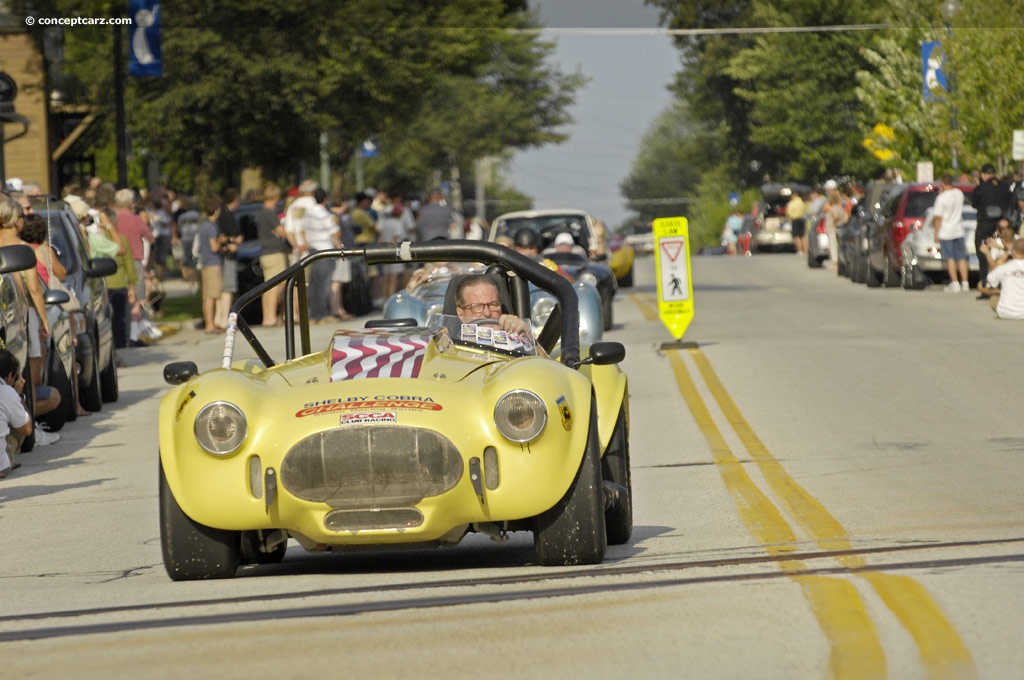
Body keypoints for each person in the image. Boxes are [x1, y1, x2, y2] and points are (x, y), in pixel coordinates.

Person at [301, 188, 342, 323]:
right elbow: (335, 233)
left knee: (314, 284)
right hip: (324, 250)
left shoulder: (308, 213)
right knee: (324, 283)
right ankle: (323, 314)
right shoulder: (322, 213)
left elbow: (303, 230)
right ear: (325, 199)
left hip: (312, 251)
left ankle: (313, 314)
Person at [971, 163, 1012, 298]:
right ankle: (1002, 285)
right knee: (1006, 252)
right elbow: (1011, 202)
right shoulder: (1005, 186)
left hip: (985, 225)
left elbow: (974, 203)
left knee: (983, 253)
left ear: (983, 175)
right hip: (1002, 226)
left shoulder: (981, 187)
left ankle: (985, 284)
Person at [254, 183, 289, 326]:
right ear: (274, 197)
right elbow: (282, 232)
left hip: (264, 253)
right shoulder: (269, 213)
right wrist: (283, 231)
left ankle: (267, 317)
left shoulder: (260, 213)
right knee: (276, 286)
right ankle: (272, 317)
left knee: (267, 287)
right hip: (275, 253)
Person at [931, 173, 969, 293]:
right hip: (958, 229)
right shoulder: (959, 193)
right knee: (961, 258)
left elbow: (938, 218)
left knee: (950, 258)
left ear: (942, 182)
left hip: (946, 231)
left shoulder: (941, 199)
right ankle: (965, 282)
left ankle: (955, 283)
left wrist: (936, 233)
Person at [453, 274, 527, 334]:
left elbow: (536, 352)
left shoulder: (515, 339)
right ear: (461, 314)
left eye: (493, 305)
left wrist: (525, 333)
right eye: (477, 306)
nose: (487, 313)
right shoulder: (450, 345)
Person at [0, 350, 34, 478]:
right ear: (9, 376)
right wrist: (19, 395)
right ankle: (7, 457)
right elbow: (27, 429)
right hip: (1, 465)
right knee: (20, 422)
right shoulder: (7, 391)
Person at [196, 195, 224, 334]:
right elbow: (214, 247)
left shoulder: (202, 225)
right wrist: (221, 241)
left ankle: (210, 323)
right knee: (212, 296)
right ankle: (210, 325)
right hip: (213, 263)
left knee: (207, 295)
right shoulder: (212, 227)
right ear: (216, 210)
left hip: (205, 263)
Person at [215, 188, 243, 329]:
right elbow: (224, 237)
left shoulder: (221, 213)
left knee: (222, 290)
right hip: (227, 256)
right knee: (227, 289)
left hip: (221, 257)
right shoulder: (226, 215)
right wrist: (233, 241)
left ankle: (218, 318)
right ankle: (224, 319)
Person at [979, 238, 1024, 319]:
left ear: (1013, 252)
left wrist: (999, 291)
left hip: (1005, 312)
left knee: (993, 299)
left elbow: (983, 285)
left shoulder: (1004, 267)